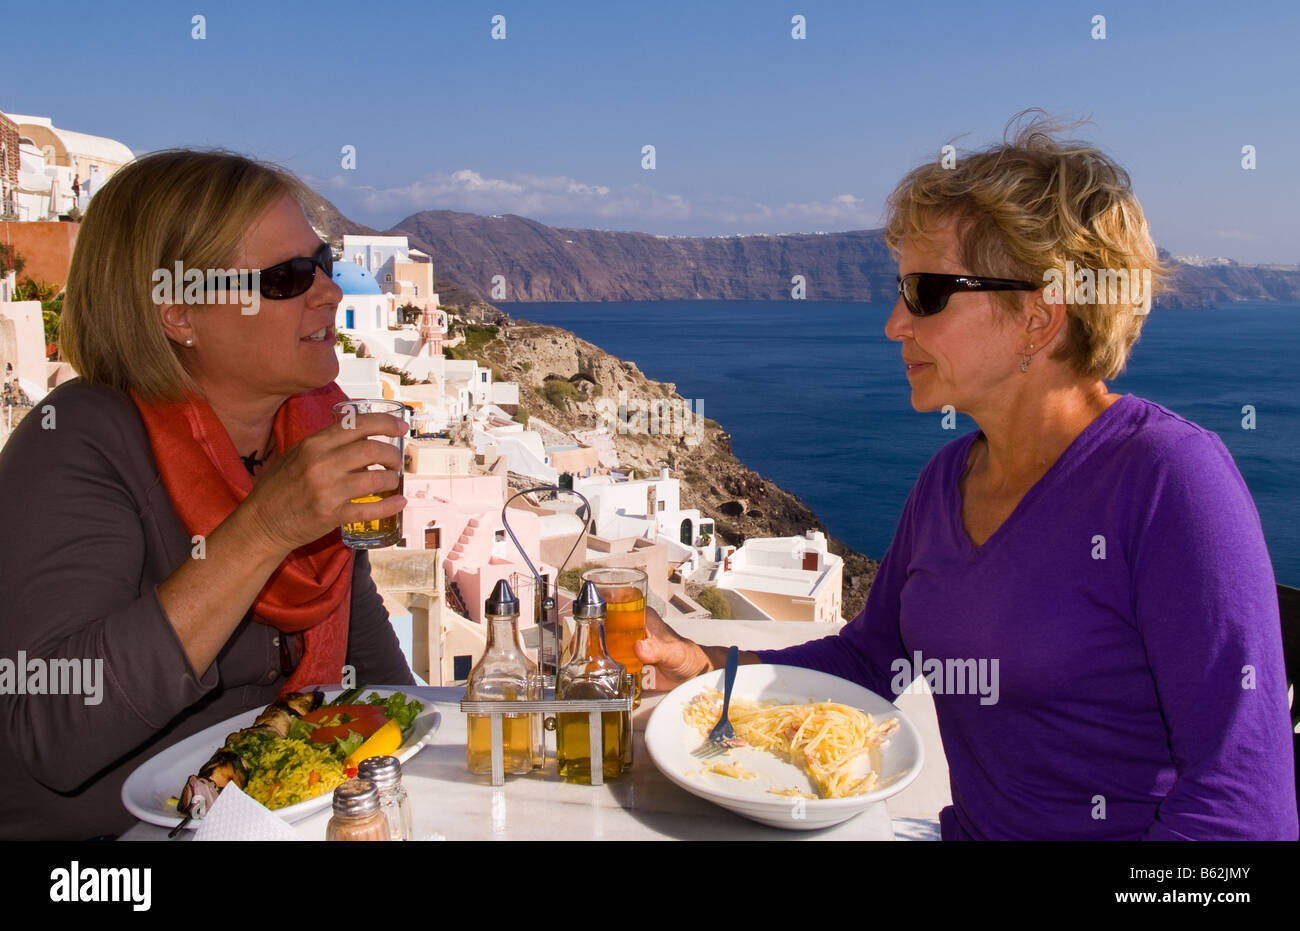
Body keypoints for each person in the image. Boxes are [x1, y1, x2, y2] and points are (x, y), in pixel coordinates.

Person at [637, 117, 1298, 840]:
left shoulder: (1172, 483)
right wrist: (713, 672)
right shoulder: (947, 479)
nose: (894, 323)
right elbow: (872, 658)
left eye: (924, 292)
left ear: (1037, 318)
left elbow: (1243, 819)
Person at [0, 150, 415, 839]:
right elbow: (55, 727)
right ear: (178, 312)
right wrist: (262, 528)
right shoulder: (79, 441)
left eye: (321, 263)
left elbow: (378, 689)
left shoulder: (305, 431)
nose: (330, 293)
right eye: (286, 278)